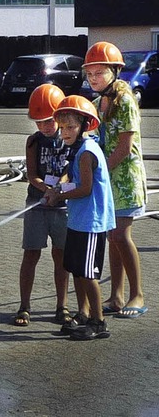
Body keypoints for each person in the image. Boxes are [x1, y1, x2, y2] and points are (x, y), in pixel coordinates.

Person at [83, 41, 148, 319]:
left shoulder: (125, 101)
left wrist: (101, 172)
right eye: (90, 74)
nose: (94, 78)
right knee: (112, 237)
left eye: (99, 73)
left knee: (121, 235)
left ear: (114, 71)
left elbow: (124, 146)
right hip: (107, 181)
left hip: (125, 181)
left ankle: (138, 294)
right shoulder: (98, 104)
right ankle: (116, 296)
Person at [44, 95, 116, 340]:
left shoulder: (87, 152)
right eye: (62, 127)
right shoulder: (76, 149)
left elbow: (85, 188)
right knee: (76, 268)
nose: (65, 132)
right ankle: (83, 313)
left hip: (91, 222)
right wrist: (57, 188)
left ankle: (99, 322)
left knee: (89, 273)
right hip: (78, 220)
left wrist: (59, 197)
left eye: (71, 127)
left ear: (85, 125)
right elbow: (68, 176)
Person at [14, 84, 73, 327]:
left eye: (49, 121)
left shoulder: (70, 139)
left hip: (63, 208)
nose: (44, 127)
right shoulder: (33, 142)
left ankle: (62, 306)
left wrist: (59, 189)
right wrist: (46, 190)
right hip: (37, 205)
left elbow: (71, 171)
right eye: (38, 122)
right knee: (31, 254)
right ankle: (24, 305)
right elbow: (32, 175)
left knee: (61, 257)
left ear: (60, 117)